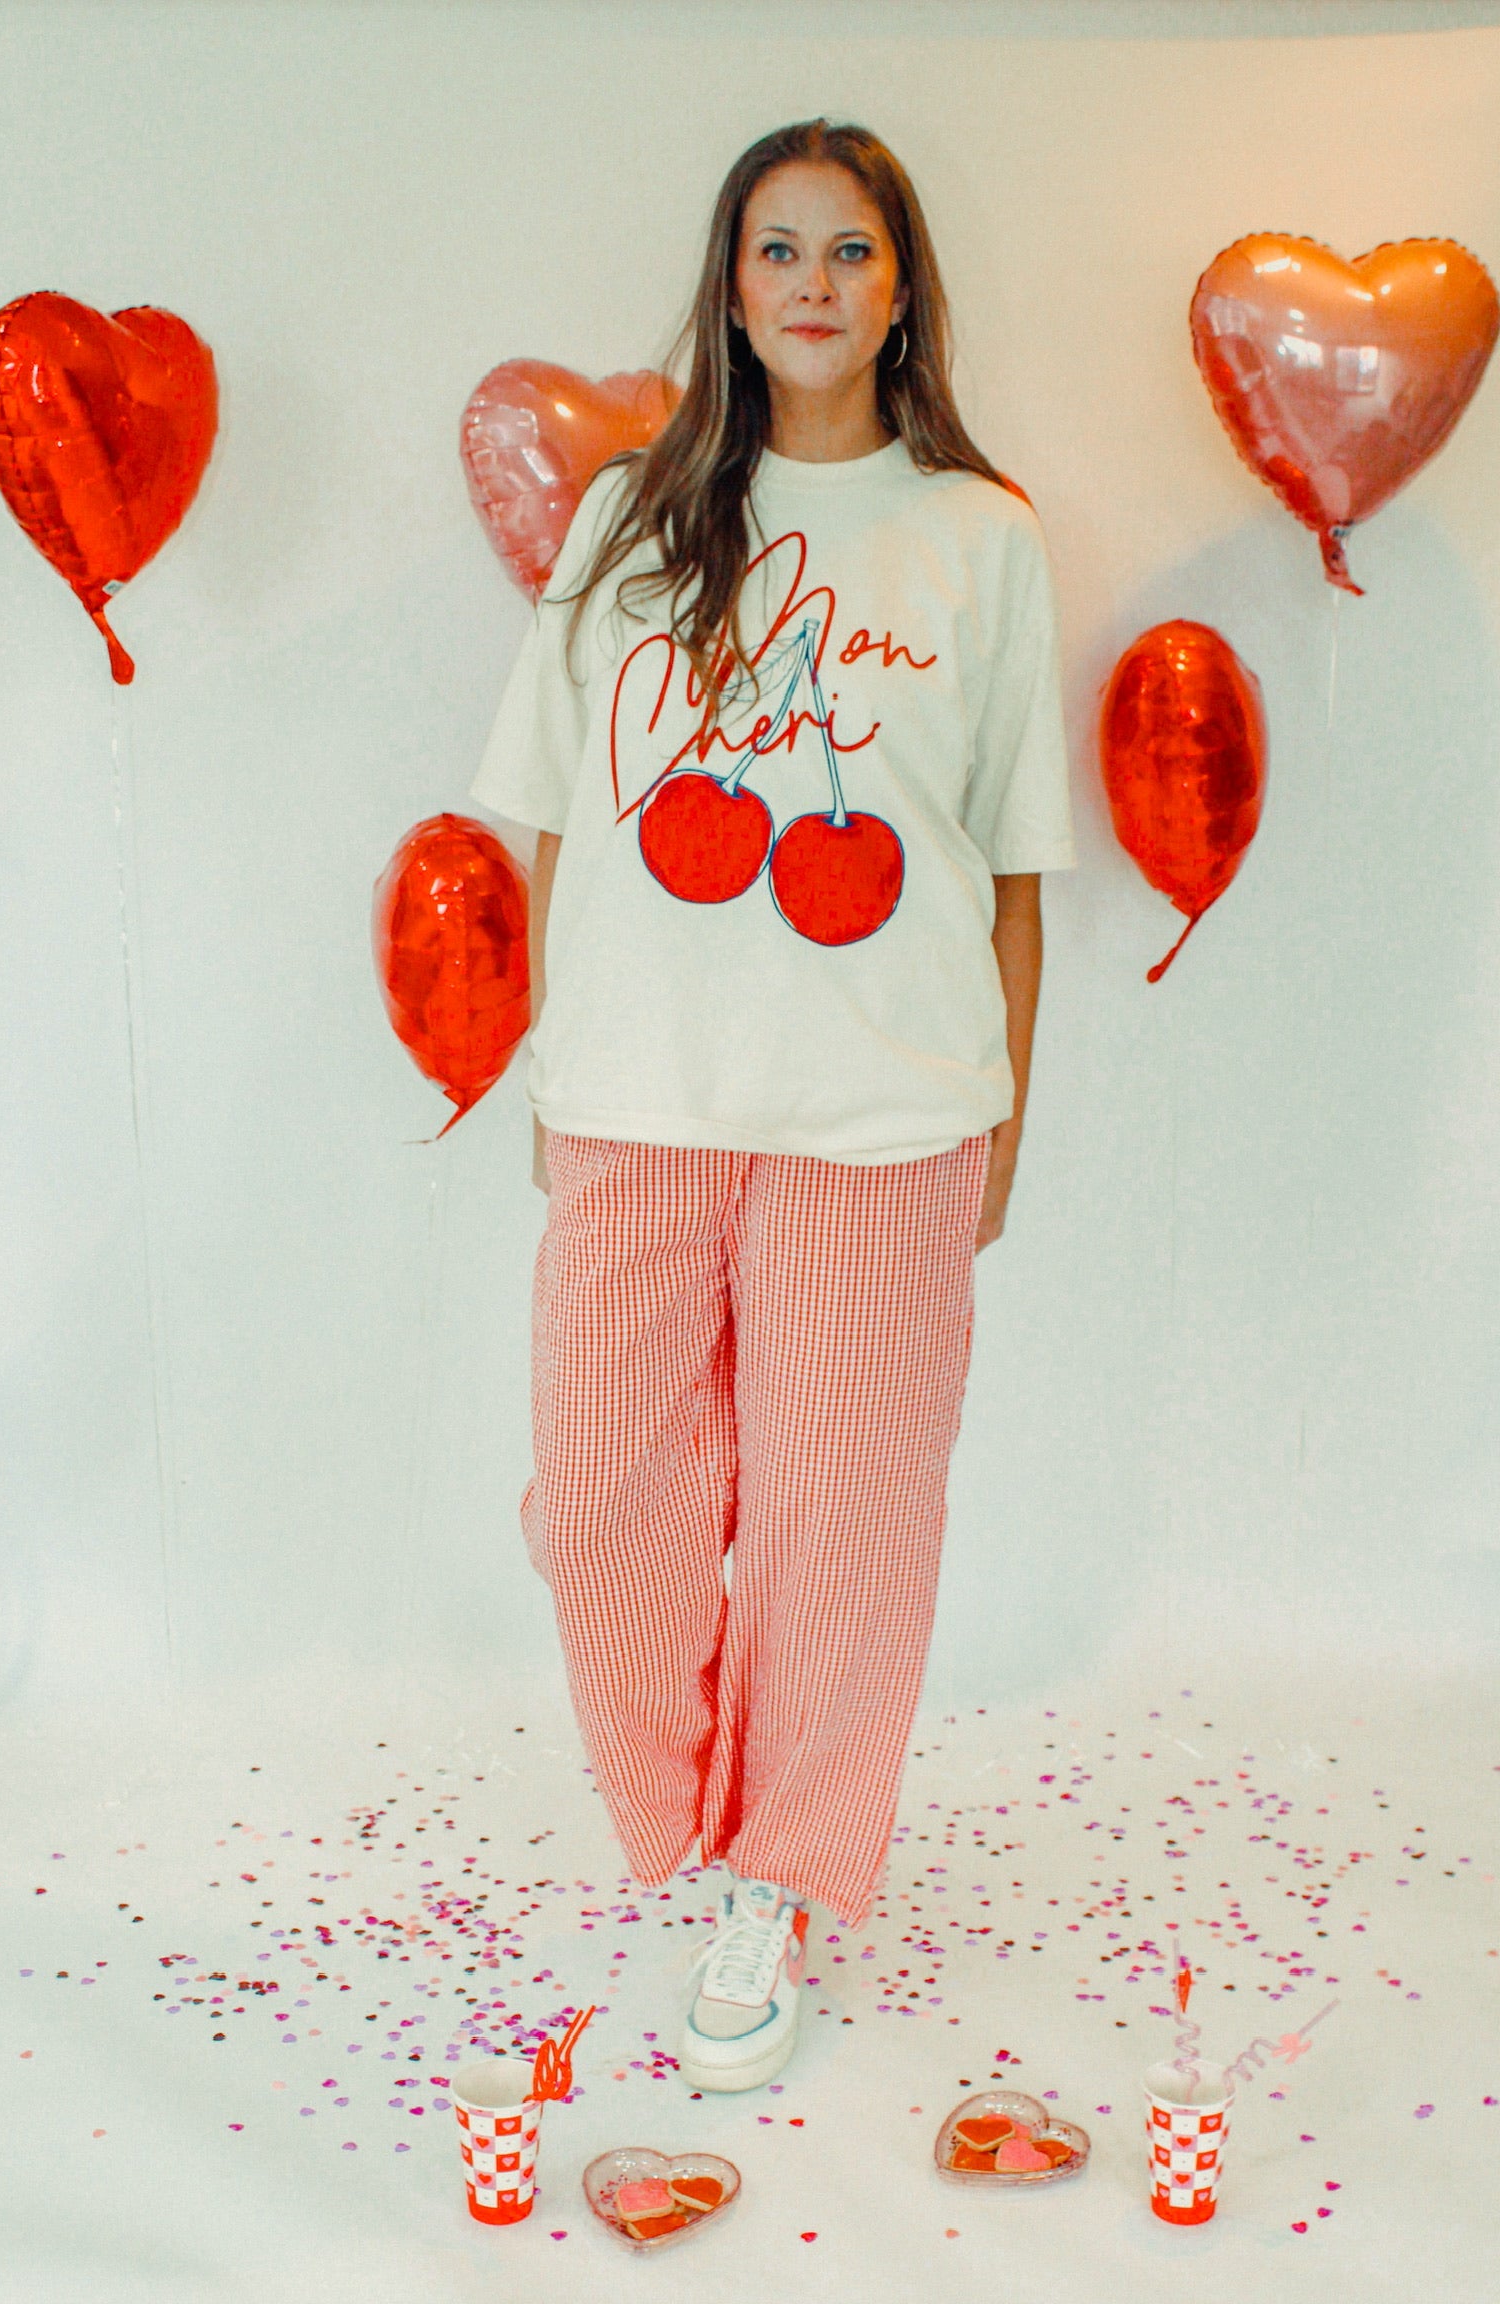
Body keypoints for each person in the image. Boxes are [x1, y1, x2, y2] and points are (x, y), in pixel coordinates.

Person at [471, 118, 1074, 2093]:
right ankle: (694, 1821)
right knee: (598, 1500)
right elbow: (553, 821)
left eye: (851, 250)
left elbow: (1009, 868)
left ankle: (784, 1879)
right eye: (779, 249)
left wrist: (1006, 1121)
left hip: (887, 1120)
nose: (814, 283)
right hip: (637, 1103)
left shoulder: (979, 539)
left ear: (901, 291)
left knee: (846, 1527)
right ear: (731, 290)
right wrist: (551, 1071)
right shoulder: (629, 522)